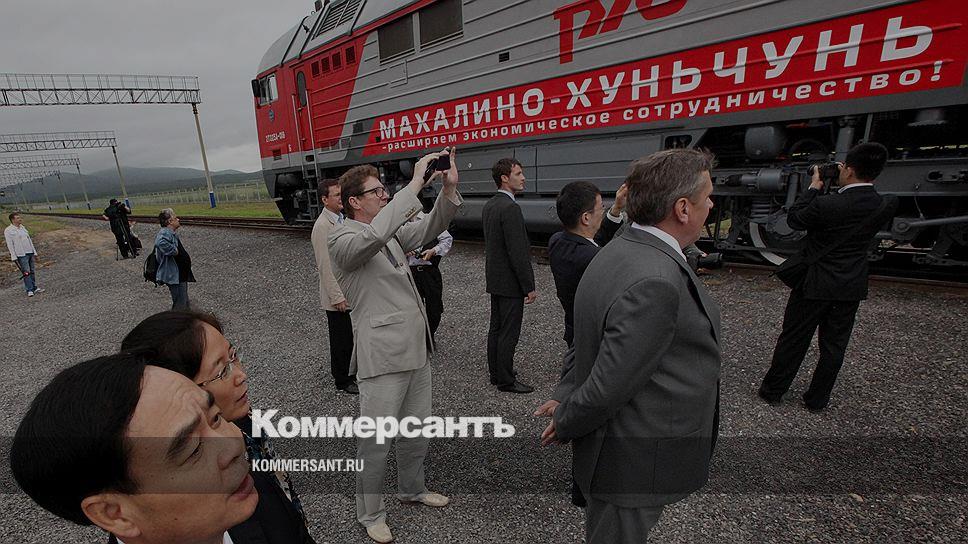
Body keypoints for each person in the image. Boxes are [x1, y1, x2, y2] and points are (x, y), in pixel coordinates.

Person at [542, 149, 722, 543]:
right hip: (634, 463)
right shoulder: (654, 279)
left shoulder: (617, 249)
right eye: (706, 196)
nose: (711, 204)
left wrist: (566, 391)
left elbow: (588, 338)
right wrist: (568, 418)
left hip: (622, 456)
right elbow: (610, 384)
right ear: (682, 209)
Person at [328, 148, 461, 543]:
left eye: (384, 190)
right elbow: (371, 237)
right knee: (376, 442)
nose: (384, 195)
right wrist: (415, 183)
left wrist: (446, 190)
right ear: (354, 202)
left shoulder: (389, 233)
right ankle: (370, 514)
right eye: (377, 191)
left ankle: (412, 489)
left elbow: (429, 227)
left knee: (416, 430)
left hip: (415, 348)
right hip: (382, 355)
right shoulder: (342, 238)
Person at [9, 353, 260, 544]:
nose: (234, 442)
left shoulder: (252, 495)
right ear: (114, 514)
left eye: (215, 417)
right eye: (194, 449)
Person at [120, 310, 316, 544]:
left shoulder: (243, 422)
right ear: (177, 390)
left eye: (233, 356)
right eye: (222, 371)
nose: (241, 375)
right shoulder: (186, 507)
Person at [759, 142, 899, 412]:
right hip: (851, 284)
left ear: (849, 170)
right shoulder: (884, 204)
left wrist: (814, 186)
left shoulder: (827, 204)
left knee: (794, 338)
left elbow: (794, 220)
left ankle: (773, 390)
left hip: (814, 282)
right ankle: (817, 400)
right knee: (834, 346)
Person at [547, 182, 626, 348]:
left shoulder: (557, 241)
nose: (603, 210)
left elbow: (593, 241)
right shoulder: (594, 258)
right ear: (586, 218)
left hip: (574, 329)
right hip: (595, 339)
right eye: (601, 207)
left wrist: (616, 209)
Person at [482, 158, 536, 394]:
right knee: (509, 332)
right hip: (511, 281)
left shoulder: (490, 205)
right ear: (505, 178)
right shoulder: (510, 208)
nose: (523, 178)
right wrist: (528, 286)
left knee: (496, 328)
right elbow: (518, 252)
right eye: (518, 173)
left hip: (496, 279)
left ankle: (496, 373)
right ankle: (506, 380)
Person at [311, 178, 357, 394]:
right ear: (324, 199)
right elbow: (325, 266)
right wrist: (337, 297)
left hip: (349, 290)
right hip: (338, 296)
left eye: (341, 193)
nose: (342, 198)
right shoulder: (322, 226)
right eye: (337, 195)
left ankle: (352, 372)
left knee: (351, 335)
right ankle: (342, 380)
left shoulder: (341, 219)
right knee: (341, 339)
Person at [406, 200, 454, 340]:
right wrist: (403, 251)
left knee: (435, 308)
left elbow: (447, 239)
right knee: (413, 309)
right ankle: (419, 339)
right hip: (409, 273)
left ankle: (429, 335)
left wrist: (434, 250)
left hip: (429, 271)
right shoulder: (400, 224)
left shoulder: (429, 220)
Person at [155, 208, 195, 310]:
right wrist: (174, 251)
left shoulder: (169, 232)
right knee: (180, 304)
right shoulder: (165, 233)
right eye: (176, 218)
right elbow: (160, 243)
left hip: (179, 274)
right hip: (175, 275)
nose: (178, 219)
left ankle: (185, 316)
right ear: (170, 221)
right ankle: (179, 318)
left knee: (183, 301)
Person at [4, 212, 45, 297]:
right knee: (26, 272)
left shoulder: (23, 228)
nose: (20, 219)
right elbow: (10, 244)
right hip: (21, 254)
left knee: (32, 271)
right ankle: (29, 289)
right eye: (18, 218)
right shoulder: (8, 230)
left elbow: (29, 241)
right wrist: (13, 256)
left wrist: (35, 253)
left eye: (20, 218)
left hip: (30, 252)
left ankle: (34, 287)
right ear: (13, 220)